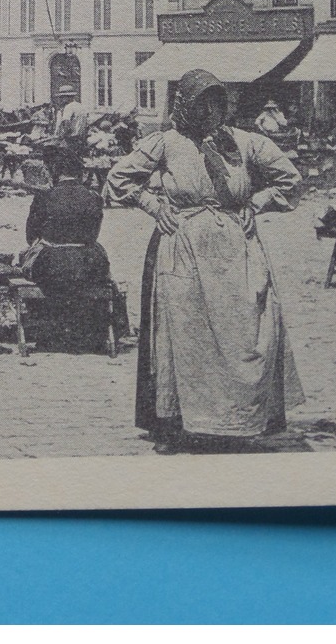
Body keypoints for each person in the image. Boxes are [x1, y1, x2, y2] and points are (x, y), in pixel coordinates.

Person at [104, 68, 303, 453]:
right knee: (185, 337)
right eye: (203, 104)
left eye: (217, 103)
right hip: (183, 251)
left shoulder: (245, 143)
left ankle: (241, 420)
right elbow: (118, 179)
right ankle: (178, 424)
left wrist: (257, 201)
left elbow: (289, 179)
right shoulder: (164, 143)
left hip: (237, 252)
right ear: (186, 106)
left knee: (249, 331)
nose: (211, 112)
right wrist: (152, 203)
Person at [19, 143, 126, 351]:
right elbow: (93, 236)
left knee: (28, 258)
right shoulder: (94, 198)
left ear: (54, 172)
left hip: (53, 267)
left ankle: (45, 328)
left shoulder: (44, 198)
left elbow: (30, 236)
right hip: (89, 266)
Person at [53, 83, 89, 163]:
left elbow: (67, 123)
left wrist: (62, 136)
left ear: (67, 97)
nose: (61, 100)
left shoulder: (69, 107)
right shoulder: (81, 106)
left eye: (62, 97)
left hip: (71, 138)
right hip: (81, 138)